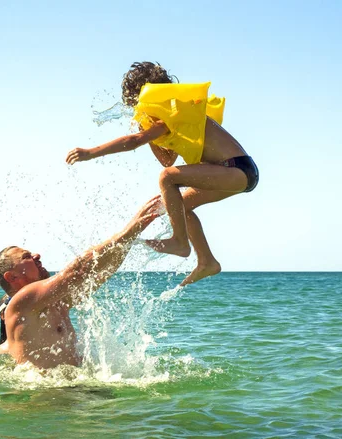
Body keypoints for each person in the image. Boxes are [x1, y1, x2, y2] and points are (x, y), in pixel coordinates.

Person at [66, 62, 259, 285]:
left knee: (167, 177)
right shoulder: (168, 118)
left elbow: (134, 142)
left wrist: (91, 152)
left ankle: (180, 242)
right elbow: (167, 159)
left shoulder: (172, 111)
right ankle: (207, 261)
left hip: (235, 168)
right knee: (178, 204)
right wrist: (147, 130)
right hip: (236, 173)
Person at [0, 196, 162, 369]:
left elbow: (100, 272)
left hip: (72, 388)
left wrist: (128, 241)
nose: (37, 256)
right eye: (26, 257)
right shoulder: (22, 301)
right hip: (47, 394)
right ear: (12, 277)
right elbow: (79, 269)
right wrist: (130, 230)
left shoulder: (56, 303)